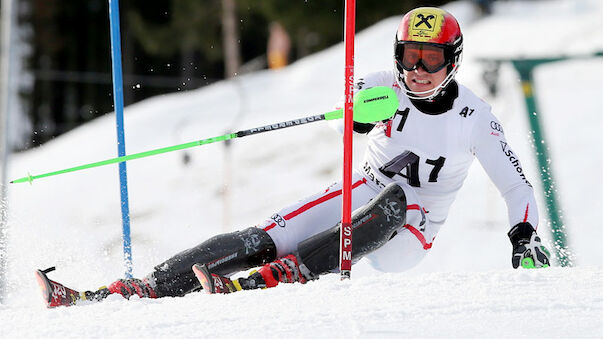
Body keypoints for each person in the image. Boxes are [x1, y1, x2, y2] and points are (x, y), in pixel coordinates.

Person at [43, 7, 551, 304]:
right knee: (264, 236)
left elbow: (516, 185)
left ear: (452, 60)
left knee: (396, 201)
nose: (417, 70)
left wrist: (523, 237)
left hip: (415, 227)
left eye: (430, 58)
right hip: (363, 188)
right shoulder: (383, 86)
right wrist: (358, 114)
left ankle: (279, 276)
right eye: (408, 56)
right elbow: (352, 106)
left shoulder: (474, 116)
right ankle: (134, 288)